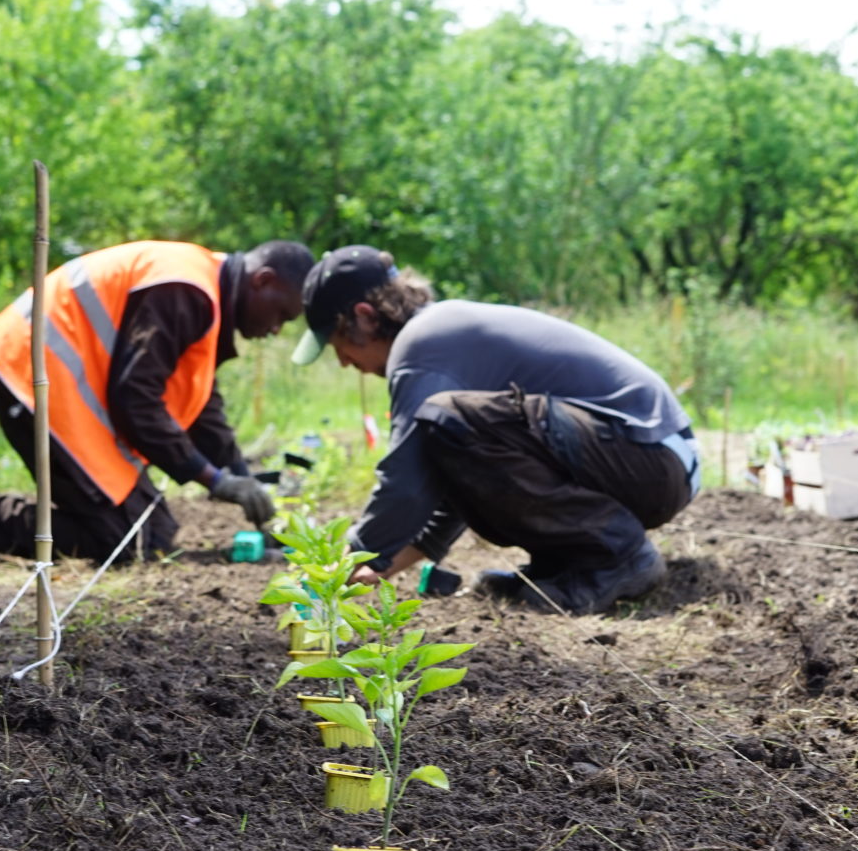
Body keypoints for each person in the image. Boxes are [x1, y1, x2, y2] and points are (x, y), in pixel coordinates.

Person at [291, 245, 700, 614]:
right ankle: (572, 565)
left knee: (444, 418)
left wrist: (350, 562)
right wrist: (383, 567)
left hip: (649, 457)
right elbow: (458, 474)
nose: (344, 363)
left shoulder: (420, 345)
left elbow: (408, 483)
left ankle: (620, 558)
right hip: (654, 458)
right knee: (449, 427)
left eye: (337, 344)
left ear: (363, 318)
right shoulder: (441, 336)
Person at [0, 239, 312, 559]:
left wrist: (241, 479)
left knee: (149, 531)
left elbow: (202, 410)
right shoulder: (187, 288)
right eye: (281, 315)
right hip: (35, 379)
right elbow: (135, 399)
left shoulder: (204, 293)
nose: (276, 329)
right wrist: (212, 479)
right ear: (263, 280)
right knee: (128, 541)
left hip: (58, 388)